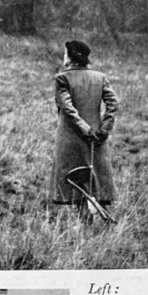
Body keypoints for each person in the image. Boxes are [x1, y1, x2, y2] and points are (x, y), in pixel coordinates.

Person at [49, 39, 119, 215]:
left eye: (65, 54)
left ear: (71, 58)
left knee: (75, 181)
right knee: (97, 181)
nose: (64, 57)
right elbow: (113, 104)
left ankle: (86, 224)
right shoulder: (100, 78)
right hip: (97, 138)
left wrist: (83, 128)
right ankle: (100, 225)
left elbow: (68, 109)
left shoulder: (62, 78)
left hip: (71, 139)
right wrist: (103, 129)